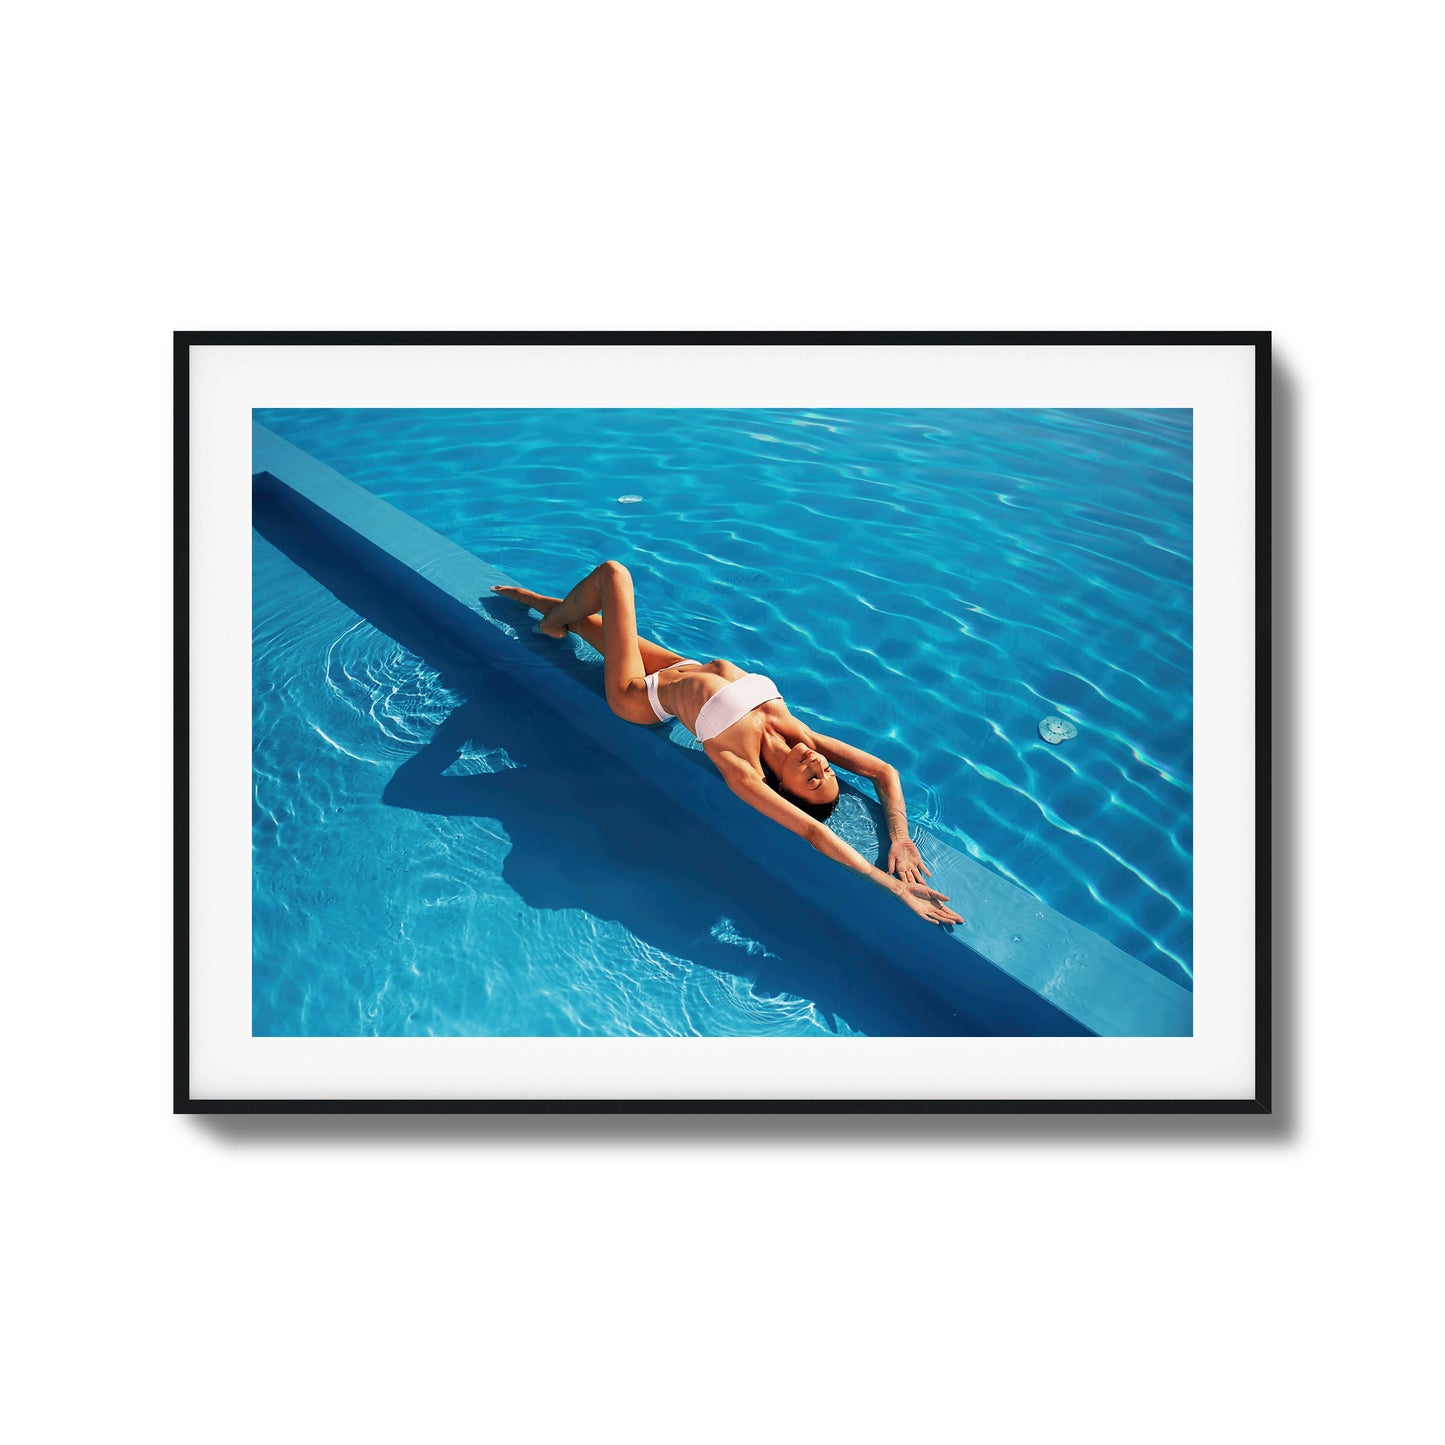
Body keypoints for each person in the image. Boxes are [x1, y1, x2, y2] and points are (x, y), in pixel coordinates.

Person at [490, 561, 964, 927]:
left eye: (812, 779)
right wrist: (899, 839)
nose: (820, 764)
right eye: (827, 774)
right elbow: (885, 772)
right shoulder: (796, 732)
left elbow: (815, 833)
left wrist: (892, 888)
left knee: (614, 575)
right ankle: (545, 613)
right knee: (582, 618)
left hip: (640, 695)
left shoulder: (742, 768)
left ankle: (548, 616)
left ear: (785, 786)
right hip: (679, 664)